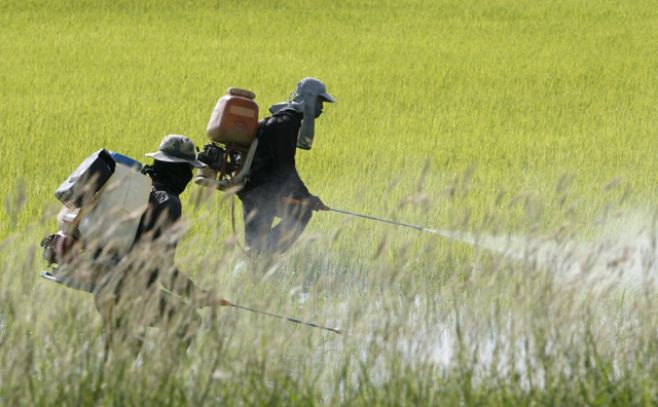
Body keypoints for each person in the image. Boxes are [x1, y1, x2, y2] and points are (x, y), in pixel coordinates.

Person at [93, 135, 226, 356]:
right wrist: (197, 295)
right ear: (178, 171)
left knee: (123, 350)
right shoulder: (168, 202)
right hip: (131, 295)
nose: (188, 177)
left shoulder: (137, 190)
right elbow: (163, 268)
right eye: (188, 171)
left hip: (104, 289)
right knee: (189, 320)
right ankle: (164, 378)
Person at [237, 77, 336, 255]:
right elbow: (285, 169)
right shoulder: (287, 124)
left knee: (252, 247)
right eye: (320, 101)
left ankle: (253, 267)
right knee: (302, 213)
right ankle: (264, 255)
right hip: (263, 193)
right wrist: (307, 198)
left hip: (251, 189)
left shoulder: (281, 120)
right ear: (310, 98)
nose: (321, 108)